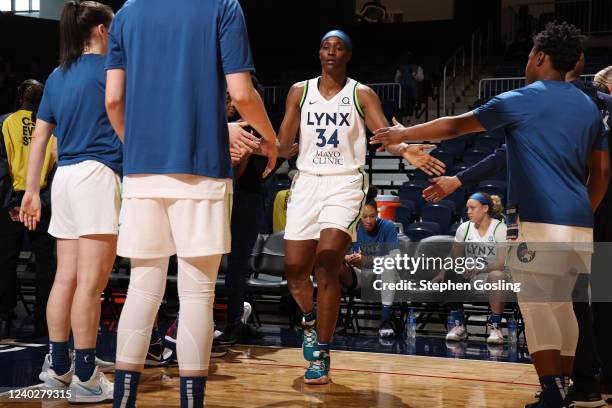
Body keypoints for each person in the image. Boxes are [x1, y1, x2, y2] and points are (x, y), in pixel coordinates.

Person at [371, 22, 610, 408]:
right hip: (580, 221)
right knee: (563, 305)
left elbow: (456, 125)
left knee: (536, 307)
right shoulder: (587, 105)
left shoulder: (523, 97)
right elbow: (601, 173)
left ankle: (552, 391)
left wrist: (404, 134)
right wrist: (585, 213)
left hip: (537, 218)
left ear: (540, 57)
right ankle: (564, 387)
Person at [104, 0, 277, 407]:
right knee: (197, 294)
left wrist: (142, 147)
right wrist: (270, 138)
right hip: (201, 166)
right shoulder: (223, 6)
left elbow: (113, 100)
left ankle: (123, 400)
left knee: (142, 289)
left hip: (143, 170)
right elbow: (241, 92)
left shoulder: (127, 12)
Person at [278, 29, 445, 385]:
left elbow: (383, 133)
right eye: (326, 46)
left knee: (327, 263)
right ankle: (309, 318)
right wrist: (264, 148)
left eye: (339, 48)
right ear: (319, 53)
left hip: (345, 182)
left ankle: (322, 352)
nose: (332, 52)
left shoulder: (361, 93)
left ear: (348, 55)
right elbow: (282, 142)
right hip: (306, 180)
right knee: (294, 270)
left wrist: (405, 149)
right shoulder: (299, 91)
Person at [19, 1, 121, 403]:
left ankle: (58, 368)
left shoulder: (56, 75)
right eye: (113, 28)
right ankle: (86, 377)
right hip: (97, 176)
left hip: (62, 181)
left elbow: (41, 139)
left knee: (66, 279)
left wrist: (31, 190)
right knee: (90, 286)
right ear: (100, 30)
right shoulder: (113, 71)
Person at [0, 79, 56, 339]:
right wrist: (41, 203)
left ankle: (5, 320)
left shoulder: (4, 122)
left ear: (18, 96)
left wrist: (12, 203)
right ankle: (43, 322)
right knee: (46, 264)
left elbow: (2, 169)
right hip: (40, 203)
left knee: (6, 262)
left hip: (11, 203)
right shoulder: (50, 128)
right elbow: (56, 170)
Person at [433, 193, 507, 345]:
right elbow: (453, 256)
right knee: (451, 271)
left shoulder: (500, 228)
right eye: (467, 208)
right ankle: (459, 325)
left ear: (485, 208)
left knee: (496, 275)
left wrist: (479, 268)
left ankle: (495, 327)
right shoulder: (464, 228)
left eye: (473, 208)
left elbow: (501, 263)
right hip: (470, 275)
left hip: (492, 274)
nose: (468, 211)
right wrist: (442, 273)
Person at [347, 186, 400, 339]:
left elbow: (396, 257)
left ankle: (385, 321)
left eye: (372, 216)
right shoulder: (354, 228)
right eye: (364, 217)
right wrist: (347, 258)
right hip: (359, 273)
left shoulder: (388, 226)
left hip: (380, 274)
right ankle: (333, 319)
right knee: (334, 266)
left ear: (377, 214)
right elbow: (343, 253)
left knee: (388, 268)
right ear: (359, 217)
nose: (369, 220)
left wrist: (370, 260)